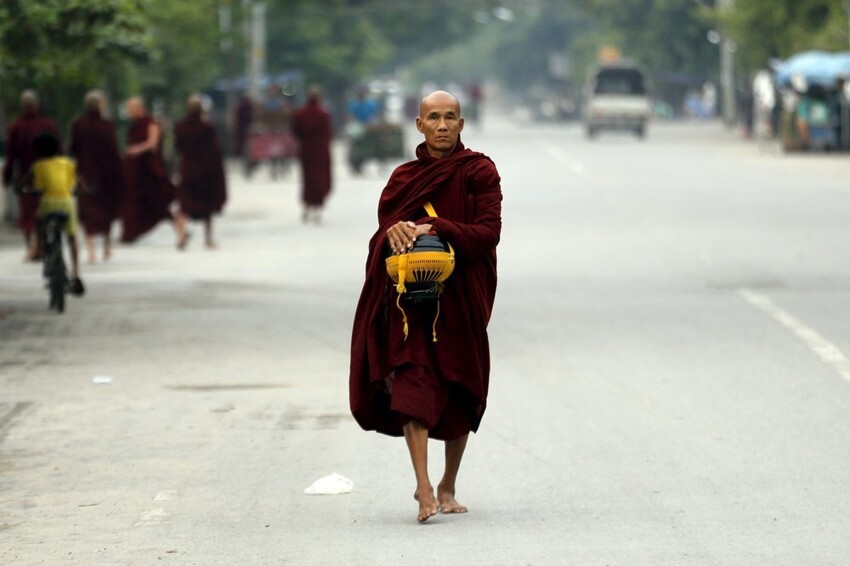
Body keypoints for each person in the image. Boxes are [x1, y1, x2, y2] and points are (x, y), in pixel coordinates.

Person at [349, 91, 502, 523]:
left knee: (462, 383)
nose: (441, 125)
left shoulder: (479, 171)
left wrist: (436, 227)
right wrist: (394, 232)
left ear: (461, 123)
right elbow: (383, 236)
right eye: (432, 117)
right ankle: (421, 486)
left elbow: (488, 233)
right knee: (413, 379)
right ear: (419, 125)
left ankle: (448, 484)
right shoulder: (402, 179)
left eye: (449, 117)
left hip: (462, 296)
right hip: (410, 303)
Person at [20, 132, 84, 292]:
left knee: (39, 222)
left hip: (47, 202)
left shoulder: (38, 165)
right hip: (66, 202)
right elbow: (80, 182)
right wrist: (83, 190)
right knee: (71, 237)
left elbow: (25, 183)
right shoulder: (68, 163)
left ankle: (40, 248)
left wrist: (23, 189)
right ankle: (75, 272)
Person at [2, 90, 60, 260]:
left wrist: (7, 177)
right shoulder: (48, 125)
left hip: (26, 177)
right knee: (45, 211)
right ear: (37, 105)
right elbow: (59, 151)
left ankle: (31, 248)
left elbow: (11, 156)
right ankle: (40, 246)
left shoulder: (16, 127)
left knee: (28, 215)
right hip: (49, 176)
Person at [69, 90, 126, 263]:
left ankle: (91, 249)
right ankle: (107, 247)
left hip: (85, 174)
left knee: (87, 211)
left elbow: (73, 149)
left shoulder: (78, 125)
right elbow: (113, 151)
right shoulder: (108, 126)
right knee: (106, 210)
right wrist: (120, 173)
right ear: (101, 105)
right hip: (106, 175)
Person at [120, 96, 179, 245]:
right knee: (132, 203)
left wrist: (136, 150)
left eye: (131, 109)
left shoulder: (151, 122)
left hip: (149, 171)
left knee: (159, 204)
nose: (129, 113)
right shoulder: (134, 125)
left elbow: (153, 144)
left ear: (140, 108)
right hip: (136, 172)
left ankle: (181, 232)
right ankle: (130, 233)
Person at [174, 94, 227, 249]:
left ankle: (182, 236)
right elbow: (214, 150)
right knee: (206, 206)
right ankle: (208, 239)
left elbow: (178, 148)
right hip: (205, 171)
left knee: (184, 205)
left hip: (187, 169)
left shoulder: (180, 126)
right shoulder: (207, 127)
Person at [292, 86, 332, 224]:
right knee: (320, 178)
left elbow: (296, 132)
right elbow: (328, 134)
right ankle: (317, 208)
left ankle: (307, 205)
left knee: (308, 178)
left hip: (306, 151)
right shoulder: (323, 114)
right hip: (320, 151)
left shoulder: (300, 114)